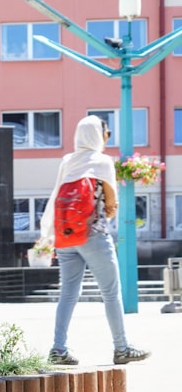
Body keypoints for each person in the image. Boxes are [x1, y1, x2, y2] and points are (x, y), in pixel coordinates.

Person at [38, 115, 150, 366]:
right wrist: (109, 206)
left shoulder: (67, 160)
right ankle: (121, 347)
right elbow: (111, 204)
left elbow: (56, 193)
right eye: (106, 133)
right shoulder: (102, 161)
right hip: (93, 236)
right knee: (111, 292)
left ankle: (58, 349)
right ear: (98, 135)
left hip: (65, 238)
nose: (107, 138)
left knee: (67, 294)